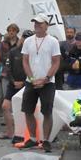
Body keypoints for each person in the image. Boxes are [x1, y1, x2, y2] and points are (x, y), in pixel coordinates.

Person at [20, 13, 61, 152]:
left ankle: (46, 140)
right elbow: (25, 61)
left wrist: (46, 78)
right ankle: (32, 138)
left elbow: (56, 62)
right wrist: (31, 79)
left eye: (40, 23)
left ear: (46, 26)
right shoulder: (28, 41)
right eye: (35, 23)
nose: (37, 25)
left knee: (47, 112)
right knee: (27, 110)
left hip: (47, 83)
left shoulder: (53, 41)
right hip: (30, 81)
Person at [0, 29, 30, 141]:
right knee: (5, 106)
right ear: (21, 38)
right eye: (24, 37)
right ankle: (10, 132)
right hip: (13, 84)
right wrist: (13, 82)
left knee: (25, 109)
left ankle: (25, 133)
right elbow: (8, 69)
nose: (25, 40)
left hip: (26, 85)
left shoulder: (32, 53)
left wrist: (23, 82)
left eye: (28, 38)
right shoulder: (13, 52)